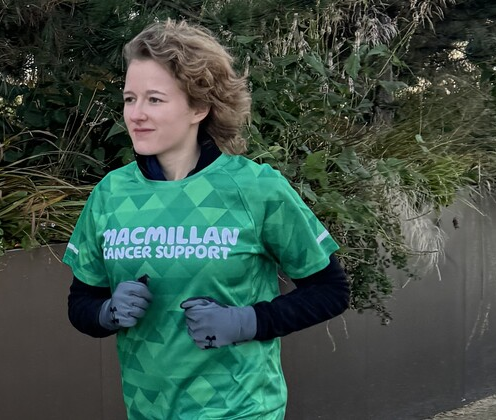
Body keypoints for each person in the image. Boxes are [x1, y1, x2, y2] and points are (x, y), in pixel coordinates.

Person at [63, 20, 351, 419]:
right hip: (146, 409)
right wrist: (105, 312)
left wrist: (247, 320)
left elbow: (330, 290)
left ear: (199, 106)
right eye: (130, 99)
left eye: (155, 100)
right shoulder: (110, 194)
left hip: (241, 408)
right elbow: (81, 302)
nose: (137, 115)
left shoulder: (256, 188)